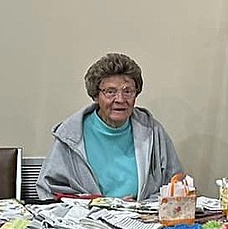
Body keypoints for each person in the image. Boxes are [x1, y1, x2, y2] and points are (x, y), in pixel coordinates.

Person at [37, 53, 184, 200]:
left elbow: (176, 186)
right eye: (110, 92)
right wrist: (107, 206)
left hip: (143, 219)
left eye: (127, 91)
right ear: (95, 96)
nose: (120, 99)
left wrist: (139, 208)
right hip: (87, 220)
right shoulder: (70, 135)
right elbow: (49, 191)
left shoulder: (153, 131)